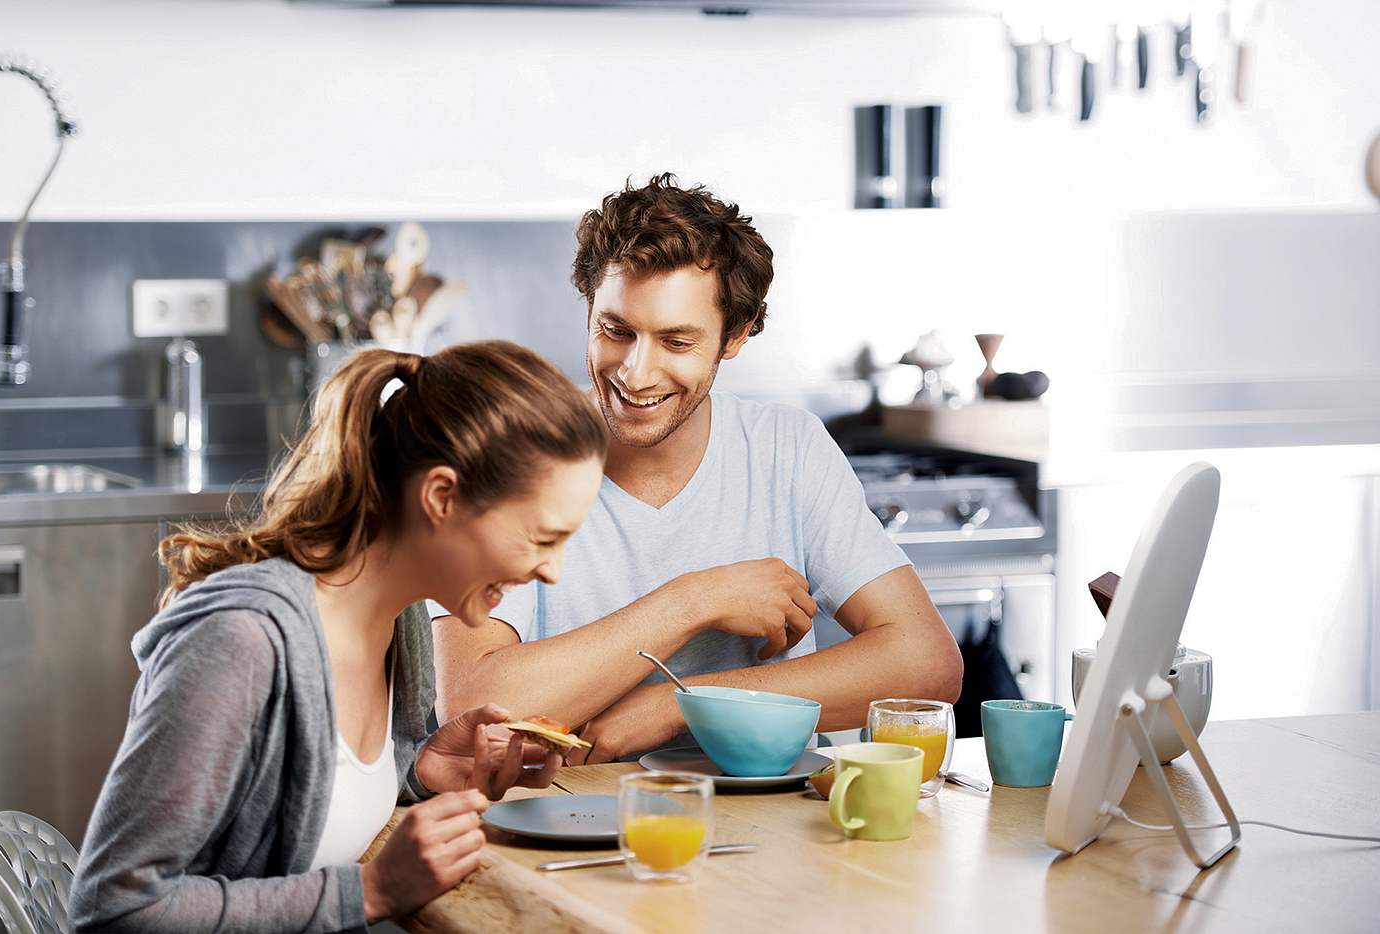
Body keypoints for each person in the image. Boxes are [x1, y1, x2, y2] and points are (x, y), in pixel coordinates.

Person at [70, 340, 608, 932]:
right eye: (541, 538)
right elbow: (114, 908)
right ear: (440, 497)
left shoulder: (397, 624)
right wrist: (372, 891)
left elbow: (319, 793)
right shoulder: (242, 642)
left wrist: (423, 771)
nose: (551, 569)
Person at [434, 175, 962, 764]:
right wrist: (694, 602)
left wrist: (680, 703)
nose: (636, 373)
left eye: (677, 343)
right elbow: (469, 710)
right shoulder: (501, 459)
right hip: (562, 823)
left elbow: (927, 667)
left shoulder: (787, 449)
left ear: (734, 335)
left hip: (770, 831)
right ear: (589, 308)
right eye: (616, 330)